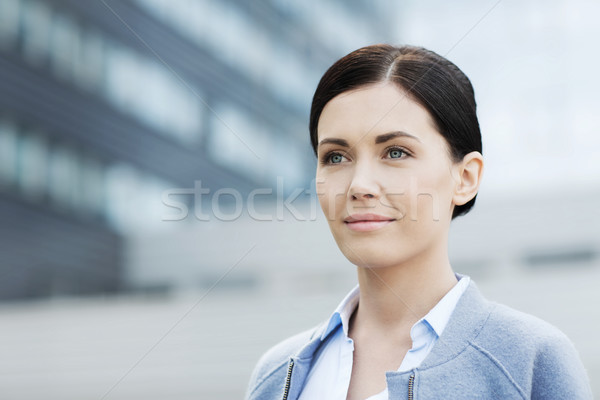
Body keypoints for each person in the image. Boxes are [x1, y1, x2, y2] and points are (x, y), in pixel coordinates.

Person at [244, 44, 593, 400]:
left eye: (396, 152)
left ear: (466, 178)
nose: (359, 185)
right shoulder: (276, 374)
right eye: (335, 157)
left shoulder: (529, 360)